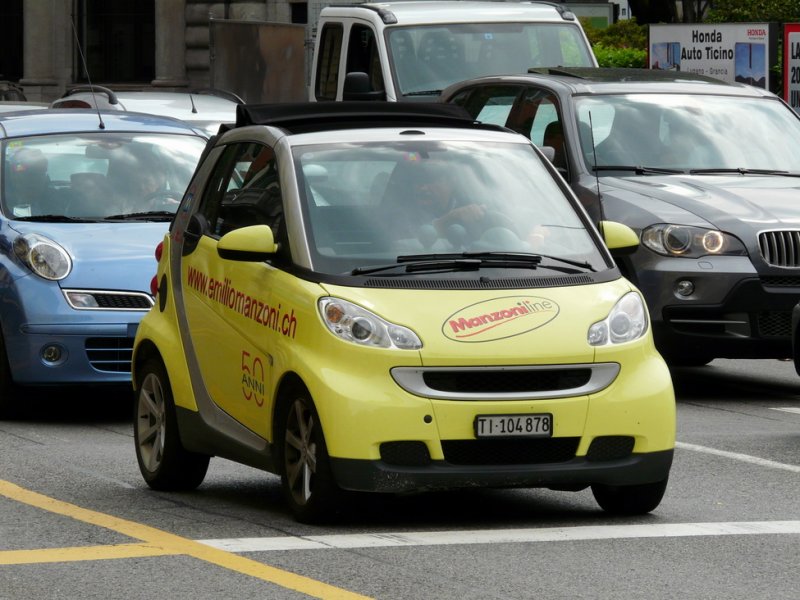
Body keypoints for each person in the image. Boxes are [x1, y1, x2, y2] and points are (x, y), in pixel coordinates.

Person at [4, 147, 57, 217]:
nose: (34, 180)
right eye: (29, 174)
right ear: (12, 175)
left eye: (40, 173)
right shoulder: (4, 202)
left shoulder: (57, 200)